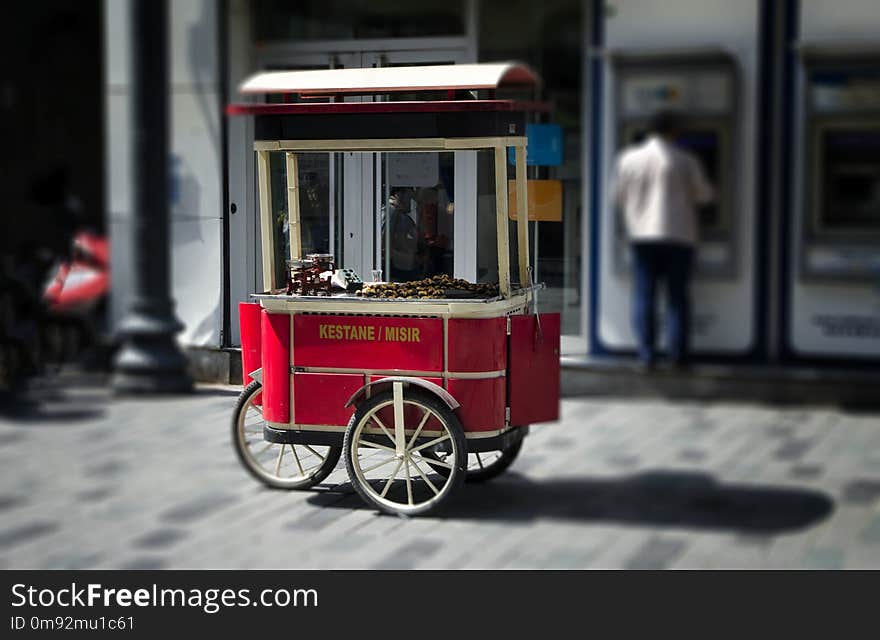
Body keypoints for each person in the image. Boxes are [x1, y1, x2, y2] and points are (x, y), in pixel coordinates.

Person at [613, 110, 714, 369]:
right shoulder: (685, 160)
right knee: (677, 297)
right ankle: (678, 355)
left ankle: (647, 354)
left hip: (643, 237)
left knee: (644, 294)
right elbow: (705, 196)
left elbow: (618, 198)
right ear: (674, 132)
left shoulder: (629, 159)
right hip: (679, 235)